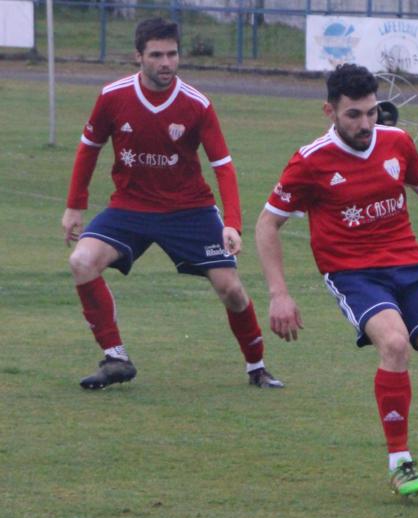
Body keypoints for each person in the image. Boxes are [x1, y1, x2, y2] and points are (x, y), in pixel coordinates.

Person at [255, 63, 418, 505]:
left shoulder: (397, 142)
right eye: (353, 115)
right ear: (330, 112)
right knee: (393, 342)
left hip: (410, 267)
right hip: (354, 274)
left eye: (371, 112)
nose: (365, 123)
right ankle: (399, 464)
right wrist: (279, 294)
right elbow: (266, 224)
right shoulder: (311, 161)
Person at [61, 17, 283, 391]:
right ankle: (115, 358)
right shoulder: (113, 96)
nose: (166, 63)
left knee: (230, 288)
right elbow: (89, 149)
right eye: (157, 55)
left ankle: (257, 367)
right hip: (130, 207)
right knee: (81, 261)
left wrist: (232, 222)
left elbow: (223, 166)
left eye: (172, 54)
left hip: (189, 210)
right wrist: (74, 206)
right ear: (138, 56)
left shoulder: (196, 104)